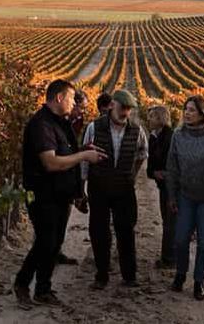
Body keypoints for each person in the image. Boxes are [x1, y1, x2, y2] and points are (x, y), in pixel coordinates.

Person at [14, 80, 108, 309]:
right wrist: (83, 157)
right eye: (70, 98)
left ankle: (43, 289)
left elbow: (68, 153)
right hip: (43, 193)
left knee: (55, 243)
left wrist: (84, 151)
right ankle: (22, 284)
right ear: (58, 98)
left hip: (61, 194)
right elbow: (51, 162)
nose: (73, 102)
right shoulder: (41, 125)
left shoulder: (61, 123)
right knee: (45, 242)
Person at [81, 89, 148, 289]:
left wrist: (131, 175)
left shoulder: (137, 130)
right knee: (99, 231)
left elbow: (143, 154)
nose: (125, 112)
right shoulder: (94, 127)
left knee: (126, 231)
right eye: (122, 107)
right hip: (99, 187)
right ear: (111, 105)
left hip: (124, 189)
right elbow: (85, 156)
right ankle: (101, 275)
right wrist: (82, 186)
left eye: (129, 109)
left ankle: (129, 276)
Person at [165, 95, 204, 301]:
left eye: (191, 110)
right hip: (186, 196)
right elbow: (172, 168)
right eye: (186, 109)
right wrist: (171, 195)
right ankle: (181, 274)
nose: (186, 113)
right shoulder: (178, 135)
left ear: (203, 114)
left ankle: (199, 281)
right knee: (181, 240)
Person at [54, 89, 90, 267]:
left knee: (64, 214)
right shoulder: (56, 121)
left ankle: (57, 250)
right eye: (81, 108)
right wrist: (82, 151)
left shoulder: (77, 120)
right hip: (54, 173)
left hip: (67, 171)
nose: (83, 112)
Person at [145, 105, 175, 269]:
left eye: (151, 117)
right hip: (163, 185)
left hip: (171, 185)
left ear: (160, 119)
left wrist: (164, 173)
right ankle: (168, 257)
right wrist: (154, 172)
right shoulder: (154, 137)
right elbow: (150, 167)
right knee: (167, 220)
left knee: (171, 222)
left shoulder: (170, 137)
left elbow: (172, 164)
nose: (148, 119)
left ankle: (169, 259)